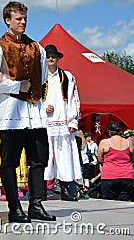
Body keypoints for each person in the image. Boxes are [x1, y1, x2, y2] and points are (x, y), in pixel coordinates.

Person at [0, 1, 56, 223]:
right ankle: (15, 207)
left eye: (25, 18)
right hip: (10, 113)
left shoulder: (38, 48)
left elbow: (42, 77)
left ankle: (36, 204)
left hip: (34, 111)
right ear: (8, 20)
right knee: (10, 161)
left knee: (38, 159)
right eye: (18, 19)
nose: (23, 22)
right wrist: (16, 86)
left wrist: (26, 89)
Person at [42, 44, 82, 202]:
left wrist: (73, 120)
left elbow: (74, 100)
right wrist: (43, 108)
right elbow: (33, 99)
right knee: (44, 157)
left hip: (63, 123)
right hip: (45, 123)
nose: (51, 58)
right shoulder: (39, 77)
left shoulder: (67, 77)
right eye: (48, 56)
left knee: (65, 156)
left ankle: (65, 190)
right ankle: (41, 190)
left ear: (58, 58)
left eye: (53, 56)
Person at [98, 121, 134, 201]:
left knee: (109, 205)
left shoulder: (105, 142)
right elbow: (132, 158)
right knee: (124, 204)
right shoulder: (129, 142)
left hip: (109, 176)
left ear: (109, 131)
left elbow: (100, 159)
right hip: (127, 176)